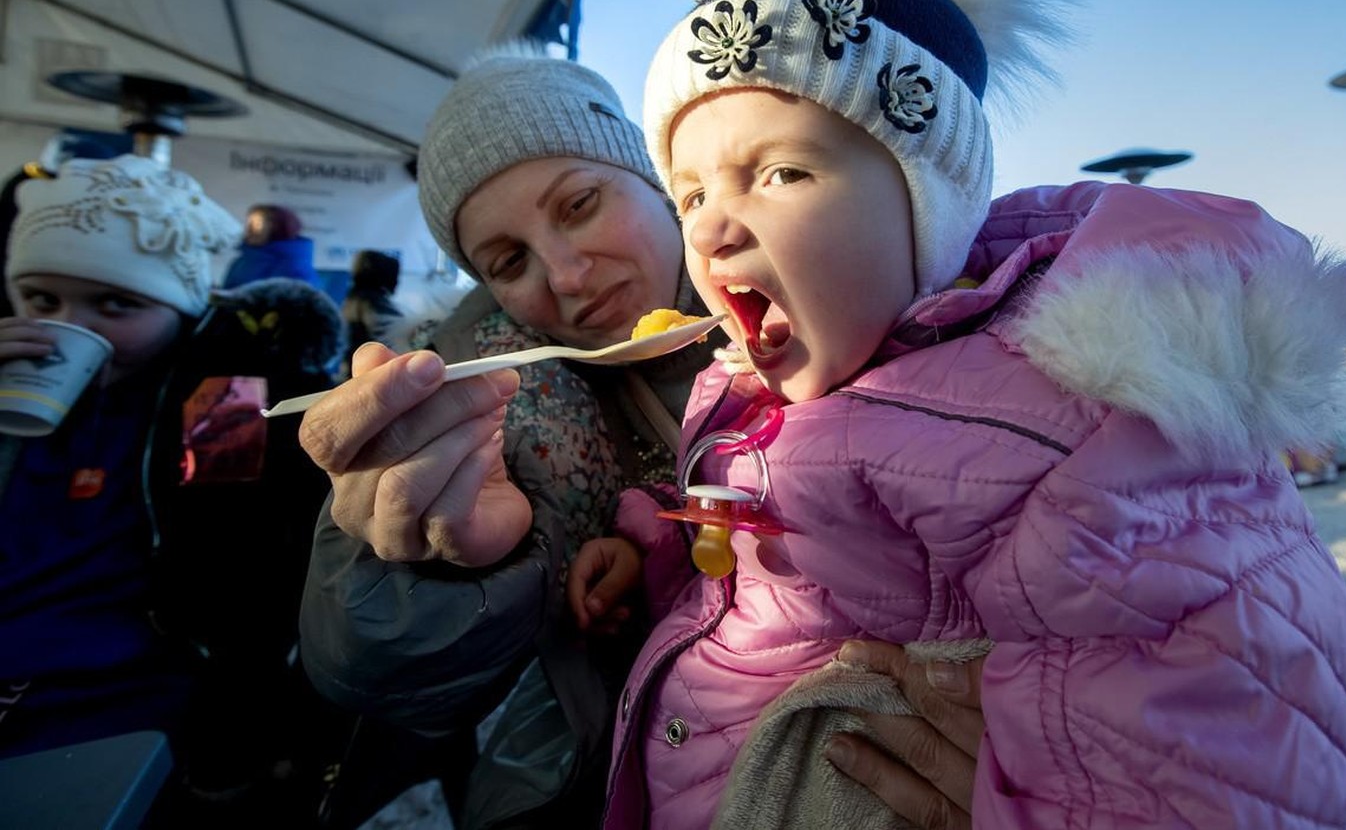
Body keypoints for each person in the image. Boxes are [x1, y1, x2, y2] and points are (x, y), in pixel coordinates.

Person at [569, 0, 1346, 829]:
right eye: (691, 189)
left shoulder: (1064, 428)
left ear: (927, 210)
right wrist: (655, 550)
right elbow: (760, 562)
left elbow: (1209, 713)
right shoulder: (754, 390)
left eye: (781, 172)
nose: (707, 223)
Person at [296, 45, 987, 830]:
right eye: (509, 260)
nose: (564, 275)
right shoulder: (503, 404)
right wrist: (421, 563)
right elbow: (372, 670)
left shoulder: (852, 293)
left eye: (580, 204)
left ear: (657, 182)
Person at [0, 155, 352, 827]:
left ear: (182, 306)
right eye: (41, 300)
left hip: (128, 698)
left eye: (117, 303)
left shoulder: (218, 393)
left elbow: (240, 551)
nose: (71, 326)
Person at [223, 202, 323, 291]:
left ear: (277, 228)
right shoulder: (241, 261)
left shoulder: (295, 267)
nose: (249, 229)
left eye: (257, 224)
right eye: (248, 223)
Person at [338, 249, 402, 379]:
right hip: (372, 375)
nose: (397, 282)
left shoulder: (353, 299)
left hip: (354, 373)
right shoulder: (372, 303)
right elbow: (396, 336)